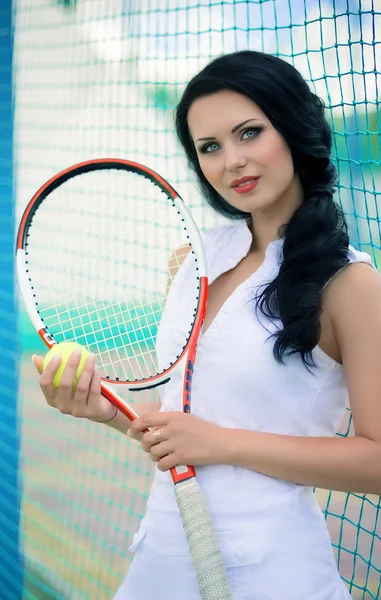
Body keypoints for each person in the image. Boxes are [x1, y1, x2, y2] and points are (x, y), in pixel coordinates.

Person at [32, 51, 381, 600]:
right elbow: (187, 428)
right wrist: (106, 412)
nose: (232, 161)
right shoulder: (192, 261)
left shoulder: (349, 283)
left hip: (273, 571)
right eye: (210, 147)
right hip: (162, 555)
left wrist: (222, 444)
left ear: (292, 129)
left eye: (249, 133)